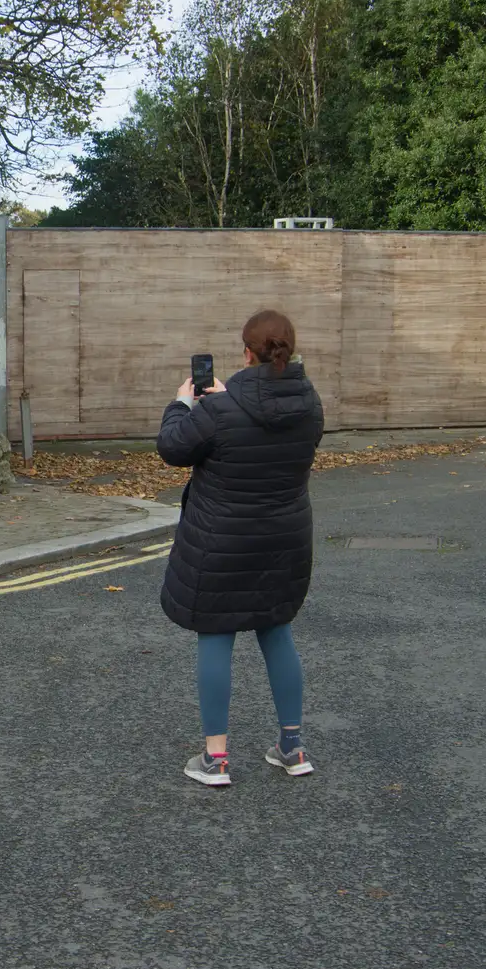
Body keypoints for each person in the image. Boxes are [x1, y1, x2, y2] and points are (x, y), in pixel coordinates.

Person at [157, 310, 325, 788]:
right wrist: (225, 406)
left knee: (216, 635)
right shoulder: (310, 404)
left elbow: (173, 448)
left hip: (222, 542)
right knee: (277, 631)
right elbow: (270, 431)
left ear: (246, 353)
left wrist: (183, 404)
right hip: (285, 539)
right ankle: (292, 748)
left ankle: (216, 760)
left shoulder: (219, 410)